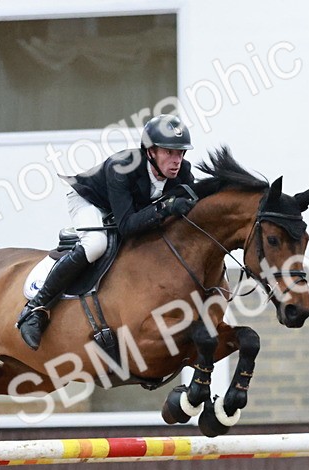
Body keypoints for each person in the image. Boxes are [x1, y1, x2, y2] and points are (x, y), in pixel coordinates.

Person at [15, 113, 199, 350]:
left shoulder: (183, 171)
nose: (177, 160)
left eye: (181, 152)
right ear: (150, 151)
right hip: (90, 202)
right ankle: (36, 309)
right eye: (169, 152)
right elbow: (127, 225)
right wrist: (165, 207)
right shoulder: (122, 166)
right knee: (96, 244)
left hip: (128, 208)